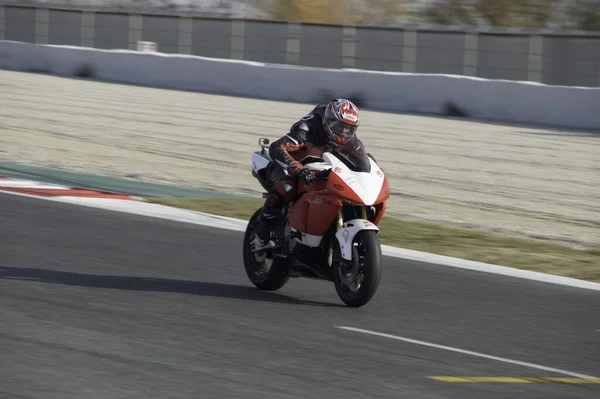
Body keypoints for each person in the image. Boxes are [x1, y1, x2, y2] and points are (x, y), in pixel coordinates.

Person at [255, 98, 361, 247]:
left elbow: (357, 157)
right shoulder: (307, 128)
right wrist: (297, 168)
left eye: (348, 129)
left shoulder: (347, 139)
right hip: (287, 166)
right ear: (328, 121)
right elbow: (277, 147)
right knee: (287, 188)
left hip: (315, 171)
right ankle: (264, 223)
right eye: (339, 127)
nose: (344, 132)